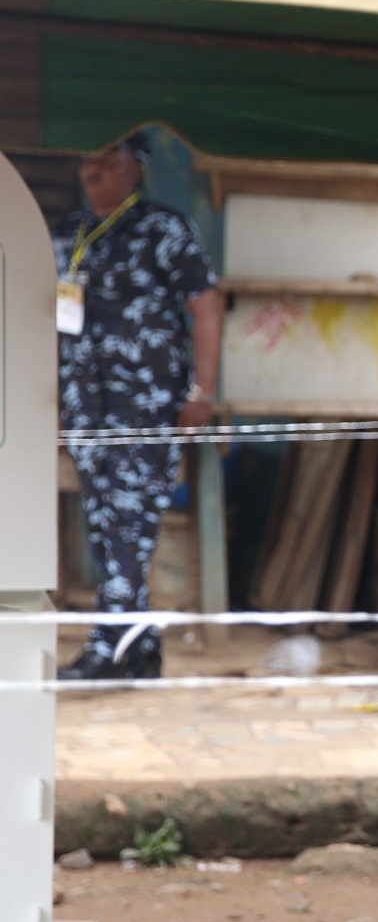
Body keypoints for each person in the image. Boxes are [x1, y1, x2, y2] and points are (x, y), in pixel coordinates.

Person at [53, 131, 222, 680]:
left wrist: (202, 391)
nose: (92, 168)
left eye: (107, 157)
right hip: (86, 401)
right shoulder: (67, 233)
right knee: (104, 520)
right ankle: (141, 642)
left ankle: (110, 645)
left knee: (131, 517)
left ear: (136, 167)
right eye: (87, 157)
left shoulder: (163, 229)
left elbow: (206, 309)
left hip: (145, 403)